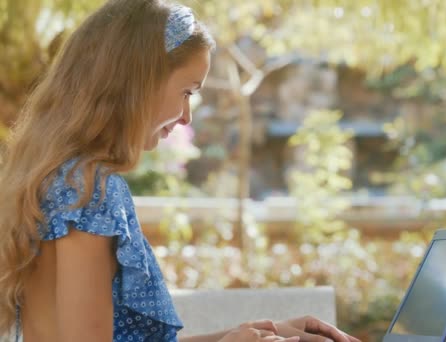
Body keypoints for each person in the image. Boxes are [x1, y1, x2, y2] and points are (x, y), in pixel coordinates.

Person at [0, 0, 361, 341]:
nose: (187, 116)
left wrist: (251, 331)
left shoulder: (58, 178)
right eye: (187, 92)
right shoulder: (91, 187)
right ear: (139, 83)